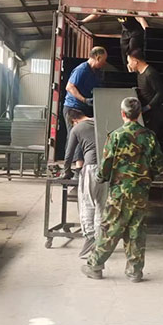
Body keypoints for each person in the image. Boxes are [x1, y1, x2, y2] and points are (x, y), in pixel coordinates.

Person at [81, 97, 163, 283]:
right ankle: (134, 272)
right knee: (136, 231)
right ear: (140, 113)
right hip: (140, 193)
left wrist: (100, 178)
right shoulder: (149, 136)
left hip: (119, 193)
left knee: (110, 229)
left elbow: (106, 165)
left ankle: (94, 266)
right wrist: (147, 176)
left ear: (122, 114)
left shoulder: (116, 136)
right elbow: (160, 163)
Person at [62, 109, 108, 259]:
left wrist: (66, 172)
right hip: (107, 169)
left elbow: (69, 154)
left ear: (74, 121)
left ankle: (89, 239)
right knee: (101, 206)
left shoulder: (77, 128)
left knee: (87, 205)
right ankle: (99, 242)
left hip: (91, 169)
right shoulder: (100, 122)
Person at [62, 47, 108, 170]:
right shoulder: (81, 70)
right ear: (97, 58)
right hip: (73, 109)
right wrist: (84, 99)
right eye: (104, 60)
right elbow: (69, 87)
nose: (105, 63)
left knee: (85, 136)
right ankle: (76, 168)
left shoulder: (95, 72)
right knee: (77, 135)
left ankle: (81, 166)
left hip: (84, 107)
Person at [82, 13, 148, 69]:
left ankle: (135, 69)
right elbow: (97, 14)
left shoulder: (128, 8)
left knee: (132, 49)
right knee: (124, 54)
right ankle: (127, 71)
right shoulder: (113, 9)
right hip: (125, 33)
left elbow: (140, 18)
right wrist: (83, 21)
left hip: (136, 32)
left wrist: (147, 31)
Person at [126, 48, 163, 136]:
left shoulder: (150, 73)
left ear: (135, 61)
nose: (128, 65)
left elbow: (160, 93)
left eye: (129, 62)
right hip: (148, 112)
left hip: (155, 112)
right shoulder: (139, 73)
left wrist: (148, 107)